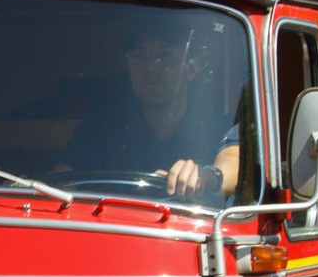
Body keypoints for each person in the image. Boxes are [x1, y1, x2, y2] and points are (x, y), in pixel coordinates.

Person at [58, 15, 240, 202]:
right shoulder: (100, 125)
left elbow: (233, 164)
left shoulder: (220, 125)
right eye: (140, 56)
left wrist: (208, 176)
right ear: (129, 66)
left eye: (165, 55)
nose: (151, 66)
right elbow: (61, 181)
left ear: (192, 69)